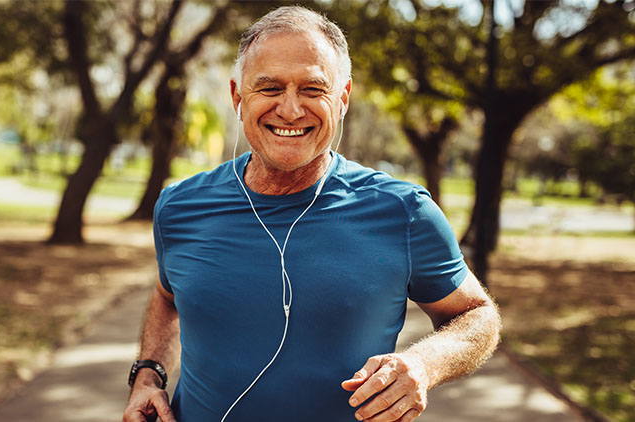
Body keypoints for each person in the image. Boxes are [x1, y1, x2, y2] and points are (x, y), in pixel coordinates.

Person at [123, 6, 500, 422]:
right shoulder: (179, 206)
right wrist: (148, 374)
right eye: (269, 87)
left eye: (312, 89)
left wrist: (425, 365)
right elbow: (167, 296)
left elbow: (477, 316)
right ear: (237, 97)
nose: (289, 109)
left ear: (342, 99)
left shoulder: (404, 211)